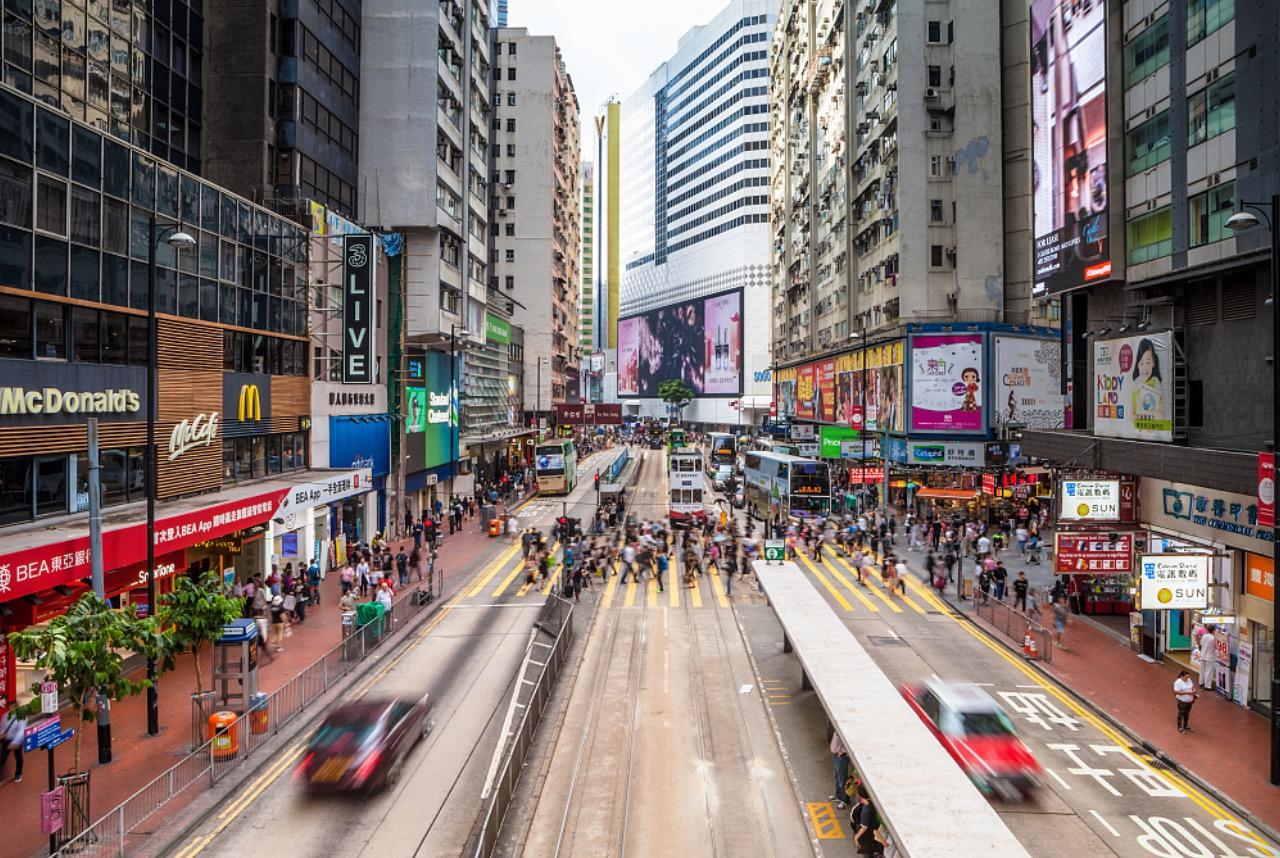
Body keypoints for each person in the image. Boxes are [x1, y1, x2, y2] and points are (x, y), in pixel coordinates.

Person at [852, 784, 884, 856]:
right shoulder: (873, 803)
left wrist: (856, 837)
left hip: (867, 838)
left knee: (868, 855)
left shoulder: (865, 810)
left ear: (860, 796)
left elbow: (864, 827)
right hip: (874, 835)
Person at [0, 707, 26, 783]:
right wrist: (1, 734)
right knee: (2, 758)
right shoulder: (5, 716)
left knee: (18, 758)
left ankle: (18, 774)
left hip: (16, 740)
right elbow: (2, 727)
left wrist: (15, 742)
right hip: (7, 740)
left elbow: (21, 731)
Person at [830, 732, 851, 810]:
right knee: (837, 777)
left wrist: (841, 751)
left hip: (841, 757)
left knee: (842, 780)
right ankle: (838, 796)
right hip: (836, 756)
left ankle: (844, 800)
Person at [1195, 624, 1217, 689]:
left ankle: (1201, 682)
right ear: (1213, 630)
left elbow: (1201, 644)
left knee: (1202, 670)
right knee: (1209, 671)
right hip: (1210, 656)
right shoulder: (1213, 638)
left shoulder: (1204, 636)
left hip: (1203, 655)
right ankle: (1207, 686)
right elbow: (1215, 647)